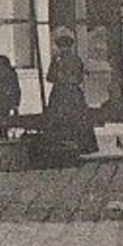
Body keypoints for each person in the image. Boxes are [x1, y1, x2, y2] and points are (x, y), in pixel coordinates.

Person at [45, 27, 99, 155]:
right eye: (62, 47)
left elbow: (52, 77)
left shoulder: (67, 60)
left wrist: (63, 77)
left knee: (71, 118)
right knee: (71, 118)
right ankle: (71, 146)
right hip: (68, 92)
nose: (64, 49)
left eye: (65, 47)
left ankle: (73, 145)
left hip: (65, 93)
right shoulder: (68, 60)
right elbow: (50, 77)